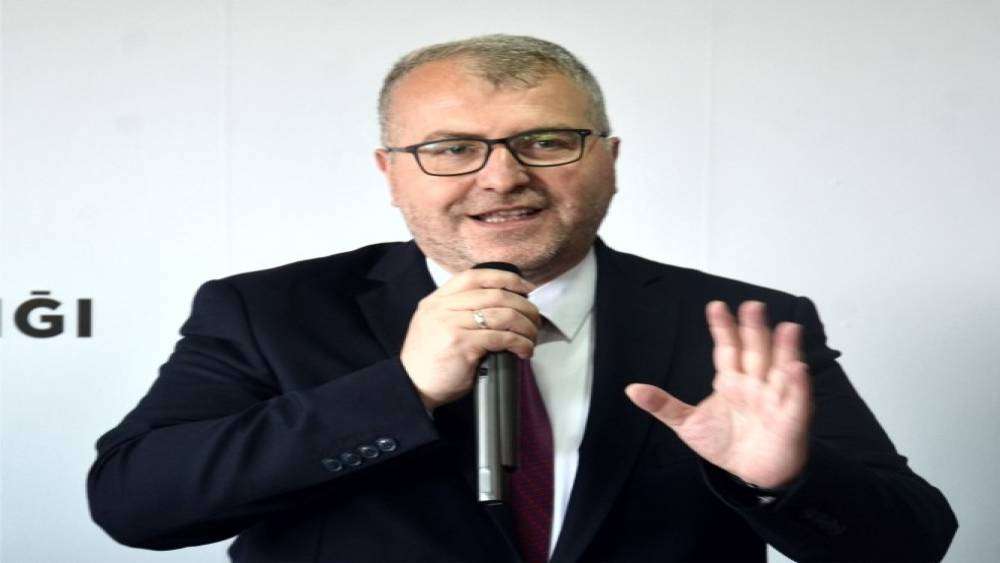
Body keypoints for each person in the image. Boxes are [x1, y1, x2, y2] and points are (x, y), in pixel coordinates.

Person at [88, 34, 957, 562]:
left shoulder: (741, 326)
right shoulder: (267, 310)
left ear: (610, 159)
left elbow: (911, 545)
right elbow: (136, 504)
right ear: (390, 173)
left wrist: (785, 481)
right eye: (452, 148)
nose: (502, 177)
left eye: (546, 141)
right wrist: (399, 392)